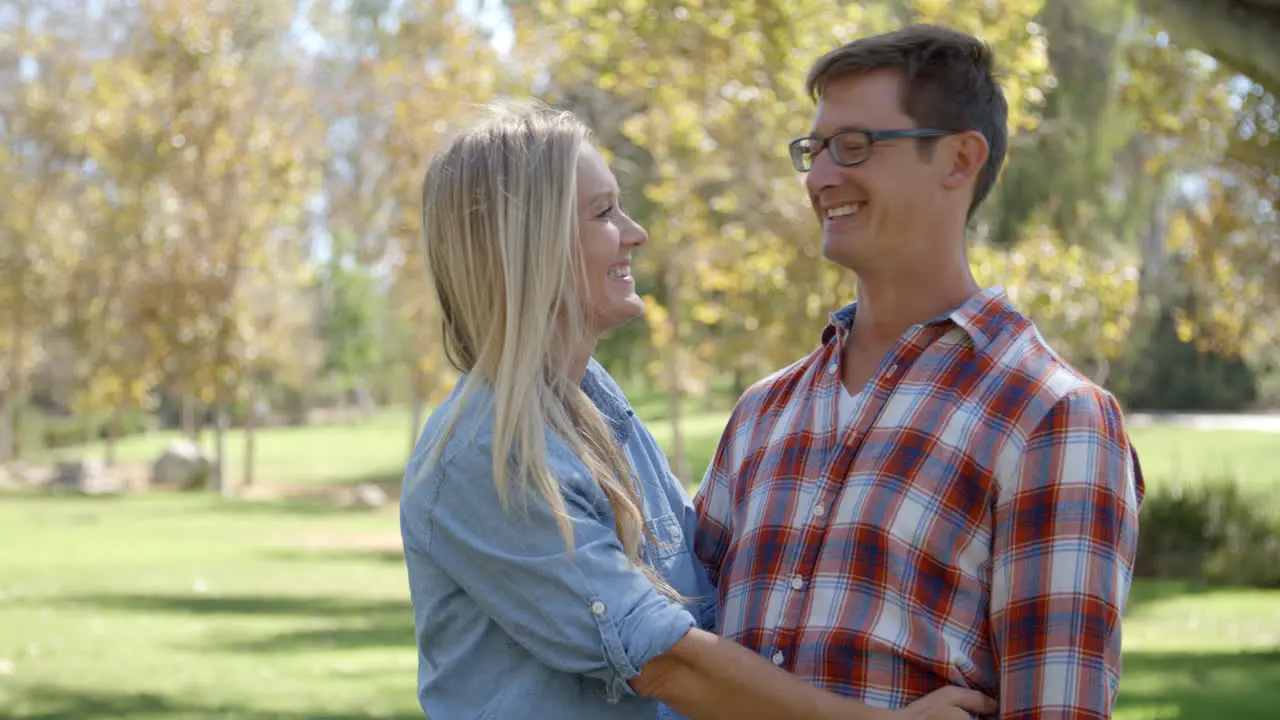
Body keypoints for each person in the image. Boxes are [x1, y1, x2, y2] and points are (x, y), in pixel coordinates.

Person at [398, 103, 997, 720]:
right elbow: (664, 660)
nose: (636, 232)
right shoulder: (487, 451)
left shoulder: (593, 404)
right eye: (603, 213)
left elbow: (702, 587)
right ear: (528, 245)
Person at [693, 24, 1146, 719]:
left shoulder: (1053, 419)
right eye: (813, 150)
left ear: (960, 159)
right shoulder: (762, 414)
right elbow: (683, 664)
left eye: (854, 146)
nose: (819, 177)